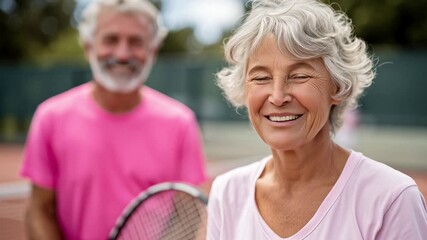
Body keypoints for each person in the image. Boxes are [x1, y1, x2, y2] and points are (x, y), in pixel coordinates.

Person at [207, 0, 427, 239]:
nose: (278, 96)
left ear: (338, 86)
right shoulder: (226, 193)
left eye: (300, 75)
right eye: (260, 78)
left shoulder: (392, 199)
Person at [20, 0, 208, 239]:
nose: (122, 54)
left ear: (153, 50)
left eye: (136, 42)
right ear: (88, 46)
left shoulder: (181, 123)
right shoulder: (50, 117)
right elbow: (40, 209)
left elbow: (186, 215)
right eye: (110, 40)